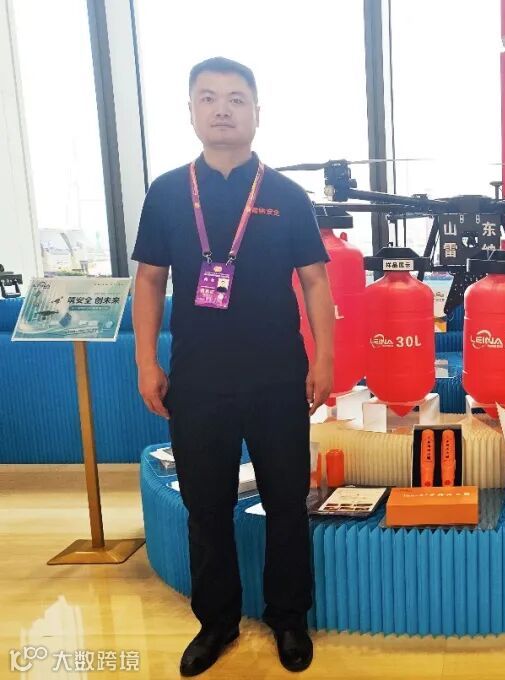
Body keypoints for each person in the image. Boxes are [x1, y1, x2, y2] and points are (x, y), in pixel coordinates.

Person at [132, 57, 334, 676]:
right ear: (191, 110)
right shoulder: (168, 192)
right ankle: (216, 622)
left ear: (256, 113)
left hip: (277, 375)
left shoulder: (286, 195)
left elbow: (315, 281)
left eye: (236, 99)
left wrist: (325, 358)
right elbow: (149, 280)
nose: (222, 109)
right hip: (198, 379)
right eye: (209, 97)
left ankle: (289, 618)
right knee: (206, 505)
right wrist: (146, 361)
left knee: (286, 501)